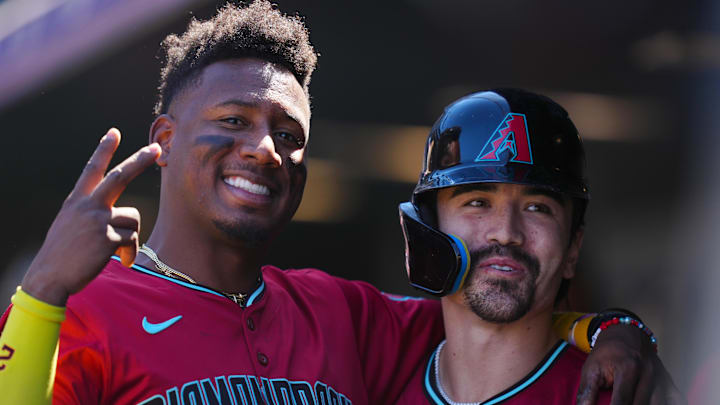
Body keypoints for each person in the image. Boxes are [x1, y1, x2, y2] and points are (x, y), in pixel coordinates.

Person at [0, 2, 674, 405]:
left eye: (289, 134)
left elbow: (498, 306)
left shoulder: (343, 314)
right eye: (234, 120)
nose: (265, 148)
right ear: (166, 139)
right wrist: (42, 290)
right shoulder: (82, 311)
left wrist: (616, 329)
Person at [396, 89, 684, 404]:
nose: (506, 233)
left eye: (538, 208)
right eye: (477, 203)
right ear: (428, 228)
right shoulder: (378, 374)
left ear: (573, 249)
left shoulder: (618, 397)